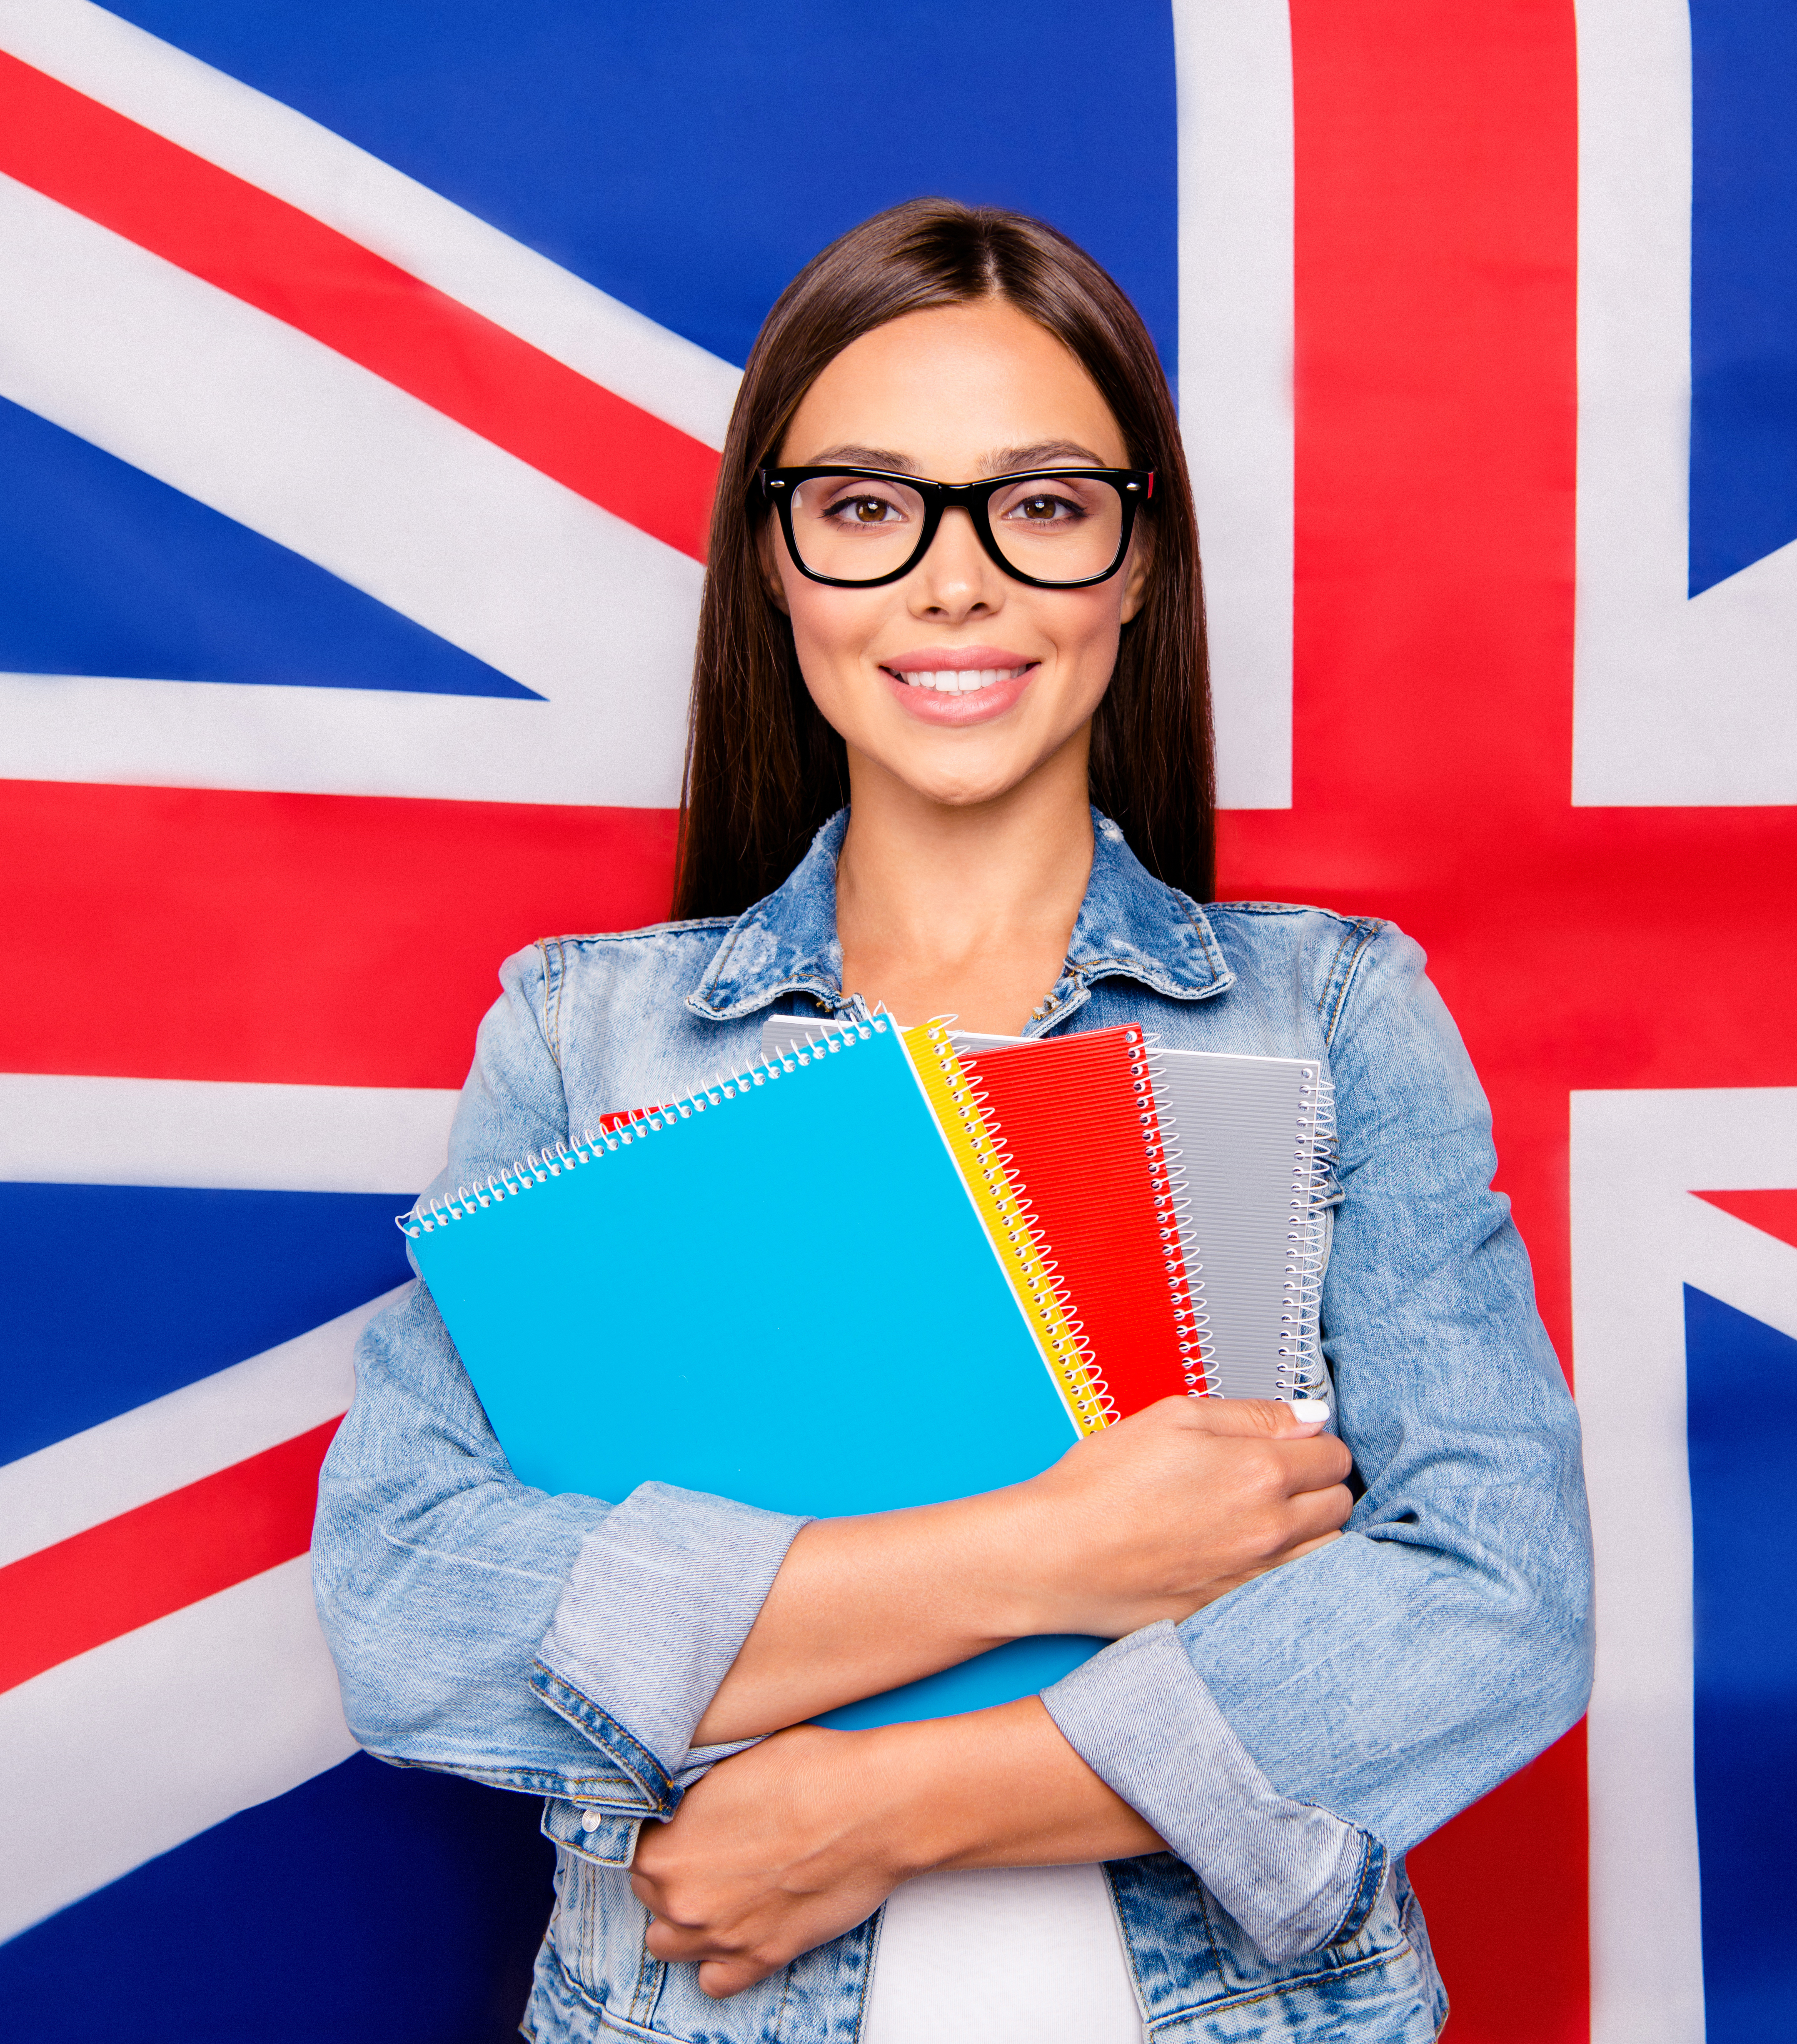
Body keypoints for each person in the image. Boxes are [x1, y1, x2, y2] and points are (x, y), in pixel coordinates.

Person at [312, 198, 1591, 2044]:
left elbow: (1493, 1601)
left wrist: (886, 1804)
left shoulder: (1332, 1016)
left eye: (1043, 505)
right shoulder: (584, 1031)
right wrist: (1058, 1554)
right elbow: (412, 1604)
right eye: (864, 506)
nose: (954, 580)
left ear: (1138, 564)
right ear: (775, 561)